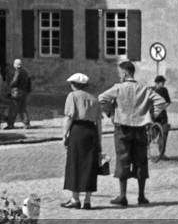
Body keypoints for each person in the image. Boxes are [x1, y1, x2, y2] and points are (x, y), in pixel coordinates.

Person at [98, 60, 168, 208]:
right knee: (141, 161)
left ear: (125, 73)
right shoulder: (145, 89)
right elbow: (161, 102)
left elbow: (102, 98)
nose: (119, 77)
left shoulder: (118, 88)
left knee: (123, 160)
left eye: (120, 74)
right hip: (141, 128)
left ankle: (122, 196)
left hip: (122, 128)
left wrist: (110, 113)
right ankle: (141, 196)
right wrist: (150, 116)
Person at [61, 73, 102, 210]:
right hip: (92, 132)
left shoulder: (72, 96)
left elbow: (69, 117)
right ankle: (88, 201)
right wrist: (99, 141)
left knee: (75, 163)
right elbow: (99, 123)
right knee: (90, 165)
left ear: (73, 85)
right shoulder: (94, 99)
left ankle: (75, 199)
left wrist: (64, 134)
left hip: (78, 131)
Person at [9, 58, 32, 128]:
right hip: (24, 92)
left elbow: (15, 81)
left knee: (13, 109)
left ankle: (10, 124)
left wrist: (10, 85)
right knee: (22, 108)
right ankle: (26, 123)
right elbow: (29, 82)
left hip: (17, 92)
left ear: (15, 65)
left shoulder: (17, 72)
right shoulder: (25, 72)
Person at [152, 76, 172, 158]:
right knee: (151, 135)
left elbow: (168, 102)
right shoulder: (151, 91)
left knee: (164, 134)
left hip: (163, 116)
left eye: (164, 82)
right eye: (162, 82)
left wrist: (162, 108)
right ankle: (145, 152)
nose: (163, 84)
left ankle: (162, 153)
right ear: (157, 83)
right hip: (153, 117)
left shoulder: (164, 90)